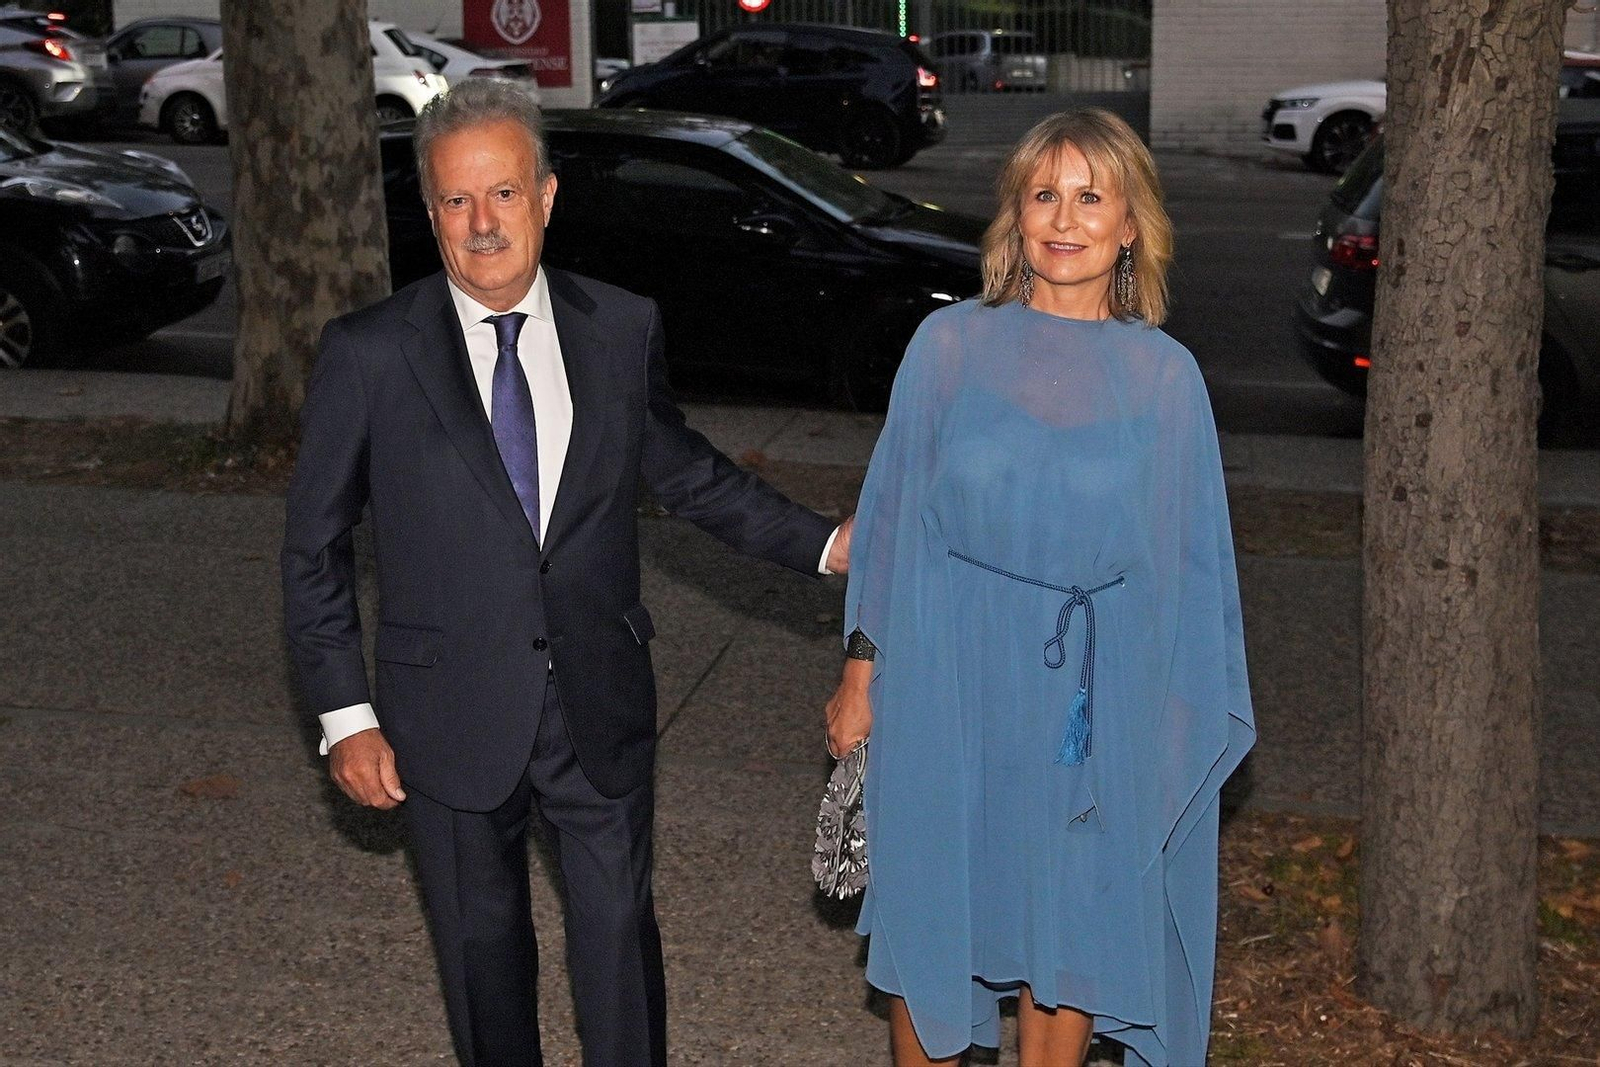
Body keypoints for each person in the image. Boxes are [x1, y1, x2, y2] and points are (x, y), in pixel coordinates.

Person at [281, 78, 850, 1067]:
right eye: (457, 199)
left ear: (545, 195)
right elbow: (313, 551)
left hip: (598, 696)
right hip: (444, 712)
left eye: (503, 192)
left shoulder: (618, 328)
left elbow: (690, 475)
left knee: (619, 943)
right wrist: (345, 715)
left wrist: (827, 545)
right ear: (431, 212)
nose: (482, 222)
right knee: (482, 953)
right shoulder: (369, 354)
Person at [824, 108, 1256, 1067]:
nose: (1065, 219)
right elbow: (889, 519)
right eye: (1044, 194)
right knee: (930, 908)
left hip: (1087, 704)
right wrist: (860, 672)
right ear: (1015, 215)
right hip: (945, 674)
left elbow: (1188, 572)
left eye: (1091, 197)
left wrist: (1169, 725)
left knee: (1068, 923)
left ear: (1130, 225)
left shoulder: (1166, 379)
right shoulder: (946, 344)